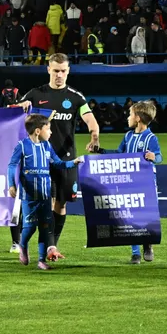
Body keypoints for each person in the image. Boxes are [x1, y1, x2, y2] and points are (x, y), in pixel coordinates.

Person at [14, 53, 101, 258]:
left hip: (66, 157)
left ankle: (52, 246)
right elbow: (14, 114)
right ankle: (41, 245)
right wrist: (20, 106)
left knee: (61, 203)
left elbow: (90, 120)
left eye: (63, 71)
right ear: (49, 70)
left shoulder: (76, 97)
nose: (59, 75)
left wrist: (94, 136)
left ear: (68, 71)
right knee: (43, 202)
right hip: (39, 159)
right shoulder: (36, 94)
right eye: (55, 71)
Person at [7, 114, 84, 271]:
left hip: (45, 194)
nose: (51, 132)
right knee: (30, 227)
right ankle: (23, 245)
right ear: (37, 131)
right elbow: (12, 165)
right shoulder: (22, 146)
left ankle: (41, 260)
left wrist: (73, 162)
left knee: (45, 226)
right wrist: (11, 185)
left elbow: (58, 163)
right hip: (29, 195)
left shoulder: (47, 146)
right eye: (48, 129)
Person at [98, 101, 162, 264]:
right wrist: (100, 151)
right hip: (129, 181)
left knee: (146, 215)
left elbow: (159, 156)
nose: (128, 117)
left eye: (130, 114)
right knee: (129, 216)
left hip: (146, 182)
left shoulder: (151, 138)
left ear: (138, 118)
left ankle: (147, 243)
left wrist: (154, 157)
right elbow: (118, 153)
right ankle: (135, 253)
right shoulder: (128, 136)